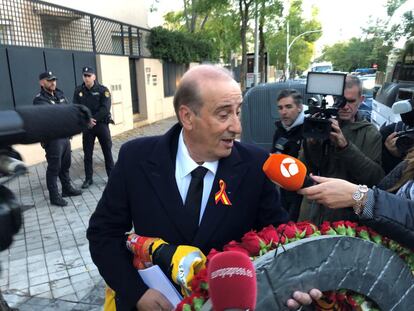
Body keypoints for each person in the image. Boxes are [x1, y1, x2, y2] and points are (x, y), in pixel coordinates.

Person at [87, 65, 321, 311]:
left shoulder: (256, 165)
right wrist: (137, 292)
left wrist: (297, 283)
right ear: (187, 117)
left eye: (238, 112)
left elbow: (277, 239)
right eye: (223, 115)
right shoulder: (136, 157)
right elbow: (104, 234)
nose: (237, 127)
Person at [300, 75, 384, 224]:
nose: (345, 106)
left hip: (346, 219)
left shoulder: (370, 133)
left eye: (350, 101)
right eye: (341, 100)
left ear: (361, 100)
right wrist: (311, 144)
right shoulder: (320, 123)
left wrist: (345, 146)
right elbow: (305, 172)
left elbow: (375, 179)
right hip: (312, 214)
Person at [33, 71, 82, 206]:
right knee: (54, 168)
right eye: (49, 80)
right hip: (53, 139)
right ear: (42, 83)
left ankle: (67, 189)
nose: (53, 82)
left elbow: (69, 110)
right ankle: (54, 197)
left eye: (54, 79)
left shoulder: (60, 94)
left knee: (65, 165)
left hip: (65, 136)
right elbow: (52, 116)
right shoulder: (39, 99)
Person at [73, 66, 114, 189]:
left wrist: (93, 119)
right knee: (87, 154)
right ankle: (88, 179)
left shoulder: (103, 90)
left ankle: (111, 177)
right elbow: (76, 107)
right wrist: (87, 121)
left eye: (89, 75)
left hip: (101, 125)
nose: (86, 78)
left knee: (107, 151)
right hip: (87, 127)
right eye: (84, 75)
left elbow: (105, 108)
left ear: (94, 77)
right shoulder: (78, 91)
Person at [271, 89, 305, 221]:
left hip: (303, 194)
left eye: (288, 107)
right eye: (280, 108)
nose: (283, 112)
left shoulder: (309, 130)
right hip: (282, 191)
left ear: (299, 107)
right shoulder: (280, 130)